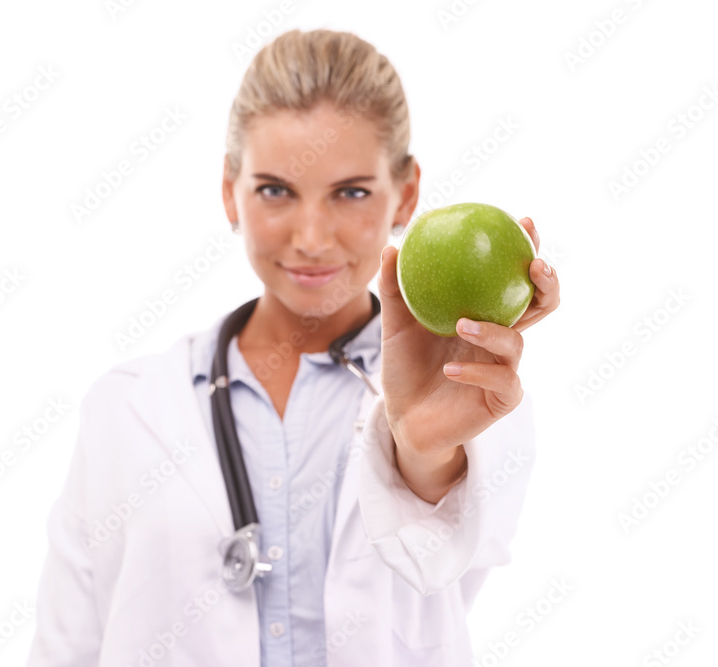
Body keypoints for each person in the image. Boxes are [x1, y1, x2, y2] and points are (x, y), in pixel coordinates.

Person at [27, 28, 559, 667]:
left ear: (407, 195)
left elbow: (450, 553)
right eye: (276, 190)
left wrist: (423, 451)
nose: (311, 237)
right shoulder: (126, 409)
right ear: (231, 191)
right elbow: (67, 643)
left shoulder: (473, 392)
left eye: (352, 192)